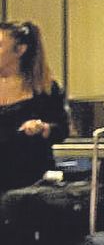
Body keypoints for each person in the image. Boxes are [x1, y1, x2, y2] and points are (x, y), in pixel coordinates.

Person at [0, 21, 69, 196]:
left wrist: (43, 128)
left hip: (29, 183)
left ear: (20, 50)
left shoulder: (44, 88)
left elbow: (62, 129)